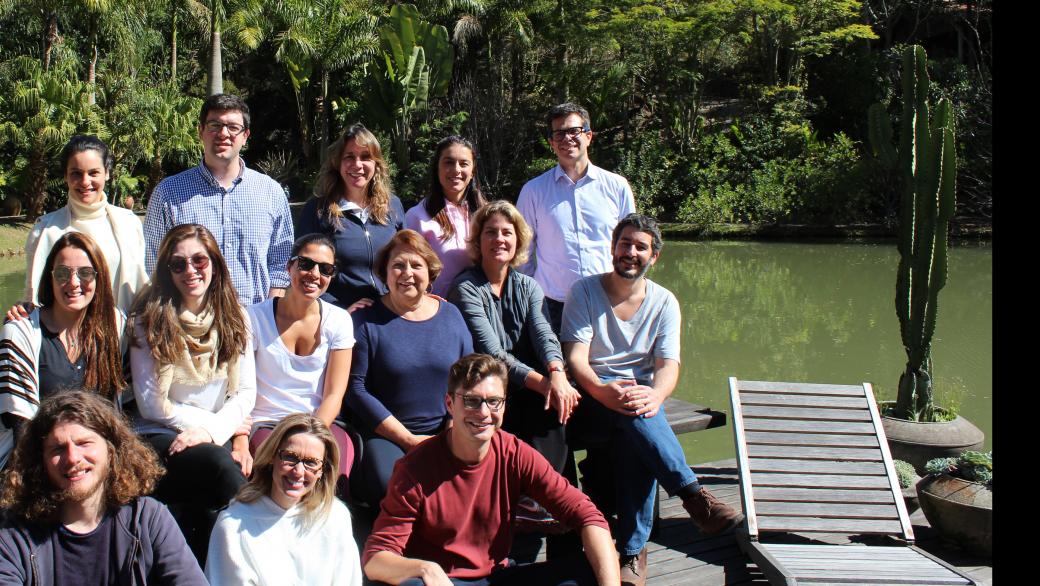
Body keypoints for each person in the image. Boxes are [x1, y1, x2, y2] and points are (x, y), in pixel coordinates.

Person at [561, 214, 743, 586]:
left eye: (640, 247)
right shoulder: (584, 291)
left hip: (637, 401)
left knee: (635, 426)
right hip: (589, 398)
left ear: (654, 257)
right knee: (634, 414)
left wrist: (657, 395)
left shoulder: (665, 302)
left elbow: (668, 366)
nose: (631, 252)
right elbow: (576, 359)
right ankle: (685, 504)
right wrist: (601, 389)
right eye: (625, 243)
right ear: (613, 248)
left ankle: (631, 553)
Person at [362, 353, 619, 586]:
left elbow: (587, 515)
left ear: (504, 406)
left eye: (493, 401)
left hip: (497, 577)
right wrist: (425, 569)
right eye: (472, 401)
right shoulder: (414, 469)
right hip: (446, 582)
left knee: (589, 569)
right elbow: (375, 559)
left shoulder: (514, 453)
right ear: (450, 404)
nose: (484, 412)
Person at [129, 223, 256, 563]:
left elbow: (244, 393)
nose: (190, 271)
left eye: (199, 260)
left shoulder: (236, 318)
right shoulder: (148, 321)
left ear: (214, 263)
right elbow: (152, 404)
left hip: (213, 434)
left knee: (215, 488)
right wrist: (213, 429)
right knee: (218, 465)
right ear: (167, 271)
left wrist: (210, 431)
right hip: (162, 435)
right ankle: (261, 552)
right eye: (178, 264)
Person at [0, 390, 207, 585]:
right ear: (40, 461)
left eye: (84, 443)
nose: (73, 458)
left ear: (111, 450)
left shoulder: (146, 519)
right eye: (58, 449)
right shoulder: (14, 534)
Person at [447, 200, 579, 493]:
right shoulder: (466, 288)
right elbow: (491, 352)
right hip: (488, 383)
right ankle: (536, 499)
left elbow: (544, 334)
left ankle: (556, 502)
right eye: (491, 232)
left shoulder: (529, 286)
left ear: (518, 240)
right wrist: (545, 384)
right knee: (542, 401)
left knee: (557, 405)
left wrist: (556, 373)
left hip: (530, 383)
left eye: (507, 232)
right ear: (479, 239)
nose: (499, 239)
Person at [345, 230, 472, 508]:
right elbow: (356, 389)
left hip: (449, 430)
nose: (407, 273)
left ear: (430, 272)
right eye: (398, 265)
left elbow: (467, 378)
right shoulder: (366, 320)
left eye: (416, 265)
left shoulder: (450, 315)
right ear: (385, 273)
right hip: (388, 435)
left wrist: (452, 432)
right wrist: (409, 440)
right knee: (396, 488)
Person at [144, 93, 294, 306]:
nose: (223, 133)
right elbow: (154, 264)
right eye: (215, 125)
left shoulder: (271, 193)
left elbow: (281, 263)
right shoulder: (168, 194)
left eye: (233, 127)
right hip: (191, 323)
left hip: (256, 321)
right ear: (201, 131)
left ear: (245, 136)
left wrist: (270, 315)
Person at [0, 232, 125, 468]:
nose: (74, 282)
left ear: (100, 278)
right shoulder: (21, 333)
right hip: (38, 462)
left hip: (96, 462)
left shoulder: (117, 329)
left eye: (85, 273)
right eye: (62, 273)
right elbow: (23, 432)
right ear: (50, 278)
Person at [247, 233, 356, 495]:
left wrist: (310, 437)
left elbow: (334, 394)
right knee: (279, 481)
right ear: (289, 266)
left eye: (325, 269)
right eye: (306, 264)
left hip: (320, 423)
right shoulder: (252, 317)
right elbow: (243, 389)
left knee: (335, 478)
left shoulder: (339, 321)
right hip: (268, 424)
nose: (314, 274)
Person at [516, 103, 636, 332]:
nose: (567, 138)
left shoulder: (617, 187)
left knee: (606, 367)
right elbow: (523, 254)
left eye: (574, 131)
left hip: (608, 300)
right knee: (556, 367)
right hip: (552, 306)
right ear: (551, 142)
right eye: (558, 133)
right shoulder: (533, 191)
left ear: (589, 136)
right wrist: (533, 297)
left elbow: (631, 245)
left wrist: (628, 290)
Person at [206, 413, 363, 586]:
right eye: (290, 457)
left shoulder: (335, 516)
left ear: (322, 471)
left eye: (311, 463)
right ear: (272, 456)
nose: (298, 471)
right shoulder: (233, 524)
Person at [22, 135, 148, 315]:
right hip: (63, 337)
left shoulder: (129, 224)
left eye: (93, 173)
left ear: (107, 172)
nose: (85, 181)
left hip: (121, 335)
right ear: (65, 175)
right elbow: (32, 297)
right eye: (76, 173)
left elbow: (142, 287)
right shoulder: (44, 230)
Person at [298, 123, 404, 310]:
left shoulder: (392, 206)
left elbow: (407, 257)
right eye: (349, 157)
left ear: (376, 164)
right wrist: (338, 309)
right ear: (338, 163)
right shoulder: (318, 209)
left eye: (365, 157)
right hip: (340, 319)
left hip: (389, 314)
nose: (357, 165)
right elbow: (302, 270)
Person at [405, 135, 487, 297]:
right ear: (437, 168)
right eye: (449, 162)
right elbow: (410, 271)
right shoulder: (418, 217)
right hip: (439, 310)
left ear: (472, 171)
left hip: (483, 307)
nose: (456, 169)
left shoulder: (486, 214)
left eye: (464, 164)